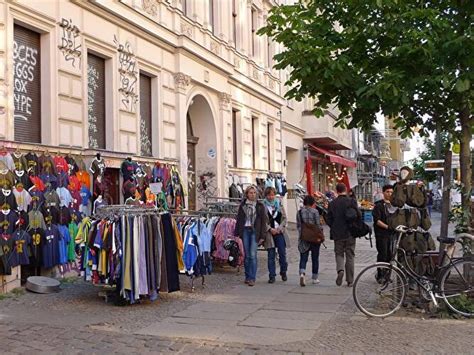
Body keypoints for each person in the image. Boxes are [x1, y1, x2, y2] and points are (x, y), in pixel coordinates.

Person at [326, 183, 360, 287]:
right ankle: (350, 280)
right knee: (350, 255)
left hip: (338, 233)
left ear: (336, 191)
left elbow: (328, 218)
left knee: (339, 253)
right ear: (346, 190)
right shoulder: (352, 201)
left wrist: (333, 226)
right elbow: (358, 215)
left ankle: (340, 270)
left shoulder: (333, 203)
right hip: (350, 232)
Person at [235, 185, 267, 286]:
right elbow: (239, 219)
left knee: (253, 255)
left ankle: (252, 277)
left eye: (254, 193)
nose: (252, 194)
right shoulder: (243, 205)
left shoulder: (260, 206)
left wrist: (262, 236)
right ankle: (247, 276)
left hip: (255, 231)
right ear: (247, 194)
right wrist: (237, 233)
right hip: (245, 230)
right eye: (250, 193)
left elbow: (263, 221)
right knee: (246, 255)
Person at [263, 187, 290, 284]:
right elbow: (262, 221)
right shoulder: (263, 206)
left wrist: (280, 229)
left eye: (272, 195)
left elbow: (285, 218)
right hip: (270, 233)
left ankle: (283, 271)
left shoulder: (279, 204)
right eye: (269, 195)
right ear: (266, 196)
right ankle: (272, 275)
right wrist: (270, 229)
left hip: (279, 232)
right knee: (271, 255)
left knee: (282, 253)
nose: (271, 197)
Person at [296, 195, 322, 287]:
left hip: (304, 237)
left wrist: (302, 234)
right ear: (313, 203)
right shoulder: (315, 212)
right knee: (315, 258)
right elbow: (318, 225)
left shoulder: (299, 212)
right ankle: (314, 278)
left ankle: (302, 272)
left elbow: (298, 226)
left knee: (303, 256)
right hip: (314, 238)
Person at [372, 184, 394, 282]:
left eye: (391, 192)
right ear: (383, 193)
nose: (389, 194)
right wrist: (388, 227)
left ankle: (387, 275)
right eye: (387, 192)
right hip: (381, 234)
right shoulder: (378, 205)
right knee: (383, 254)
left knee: (390, 255)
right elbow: (377, 220)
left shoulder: (394, 205)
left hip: (392, 234)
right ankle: (380, 274)